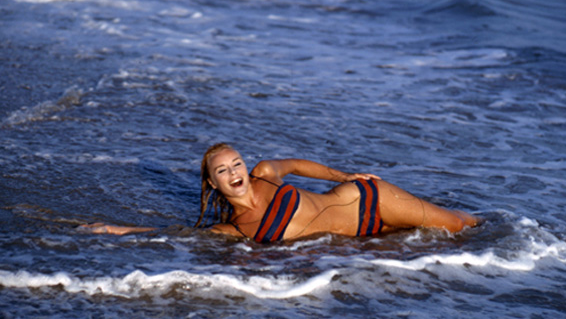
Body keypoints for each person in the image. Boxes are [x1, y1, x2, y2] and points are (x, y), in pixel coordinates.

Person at [82, 143, 479, 242]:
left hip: (368, 200)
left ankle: (525, 230)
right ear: (213, 184)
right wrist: (121, 231)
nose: (235, 172)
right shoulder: (237, 230)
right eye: (223, 170)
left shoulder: (266, 174)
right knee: (431, 247)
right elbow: (178, 235)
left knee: (465, 227)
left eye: (236, 163)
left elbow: (299, 167)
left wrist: (344, 173)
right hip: (363, 236)